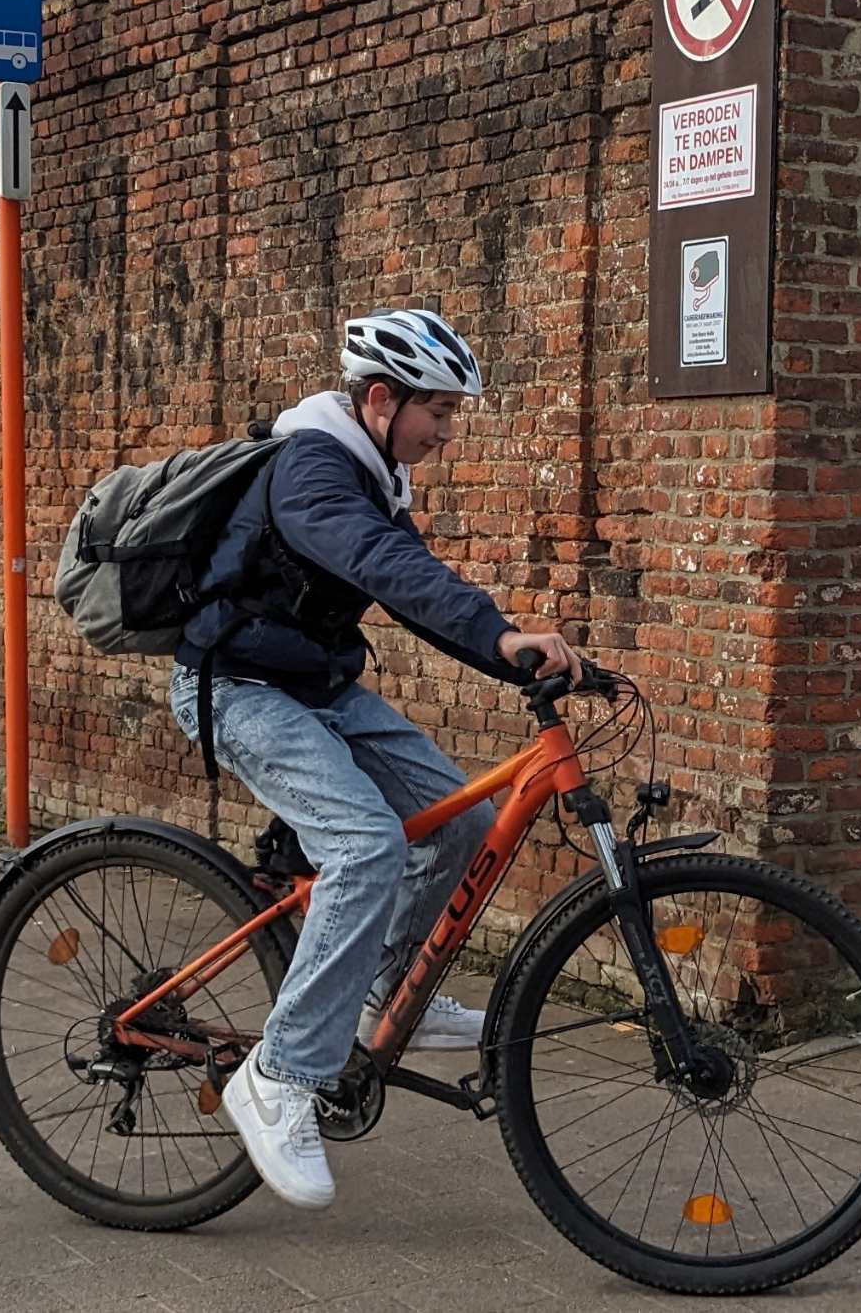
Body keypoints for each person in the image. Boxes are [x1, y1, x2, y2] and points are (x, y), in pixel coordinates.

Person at [167, 308, 581, 1212]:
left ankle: (389, 991)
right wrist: (501, 634)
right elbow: (384, 566)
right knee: (364, 846)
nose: (447, 432)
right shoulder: (312, 470)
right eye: (440, 410)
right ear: (383, 398)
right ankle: (279, 1075)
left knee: (463, 819)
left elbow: (414, 588)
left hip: (312, 683)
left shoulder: (370, 471)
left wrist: (508, 651)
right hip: (237, 688)